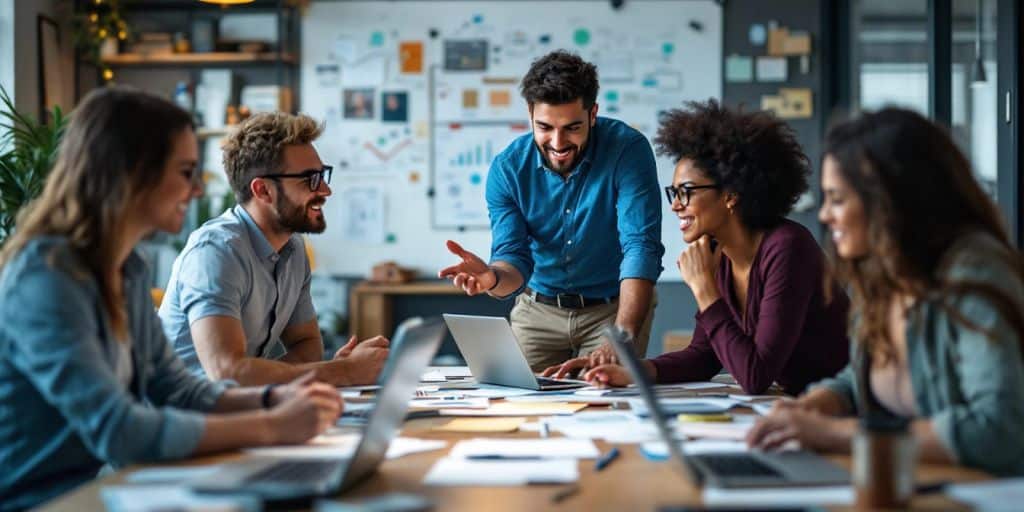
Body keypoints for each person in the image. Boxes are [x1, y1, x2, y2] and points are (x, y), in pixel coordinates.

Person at [0, 87, 342, 510]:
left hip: (108, 487)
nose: (197, 190)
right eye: (185, 172)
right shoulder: (47, 277)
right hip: (43, 501)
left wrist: (273, 399)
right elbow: (118, 429)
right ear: (131, 173)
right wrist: (271, 425)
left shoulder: (126, 268)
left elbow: (178, 391)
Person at [747, 107, 1024, 475]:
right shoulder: (884, 278)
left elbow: (999, 429)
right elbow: (859, 379)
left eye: (838, 199)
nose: (825, 216)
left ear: (889, 202)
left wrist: (834, 433)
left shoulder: (975, 276)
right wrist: (816, 405)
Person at [547, 100, 850, 395]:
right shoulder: (721, 257)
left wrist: (705, 288)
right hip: (801, 401)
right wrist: (631, 372)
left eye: (686, 192)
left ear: (731, 194)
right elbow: (702, 357)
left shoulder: (787, 248)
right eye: (674, 193)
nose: (676, 205)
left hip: (851, 406)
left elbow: (754, 376)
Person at [439, 50, 664, 371]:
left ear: (593, 113)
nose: (558, 143)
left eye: (572, 127)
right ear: (529, 113)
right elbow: (513, 257)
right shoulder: (508, 169)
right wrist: (491, 278)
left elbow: (640, 245)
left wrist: (623, 332)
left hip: (612, 308)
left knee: (604, 401)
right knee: (515, 399)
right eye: (545, 127)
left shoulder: (627, 150)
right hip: (538, 310)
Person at [159, 111, 389, 387]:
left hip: (237, 410)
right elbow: (227, 373)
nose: (325, 190)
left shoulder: (292, 248)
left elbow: (307, 346)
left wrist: (326, 371)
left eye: (323, 175)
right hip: (182, 419)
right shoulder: (215, 252)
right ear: (263, 191)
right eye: (310, 179)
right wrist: (342, 372)